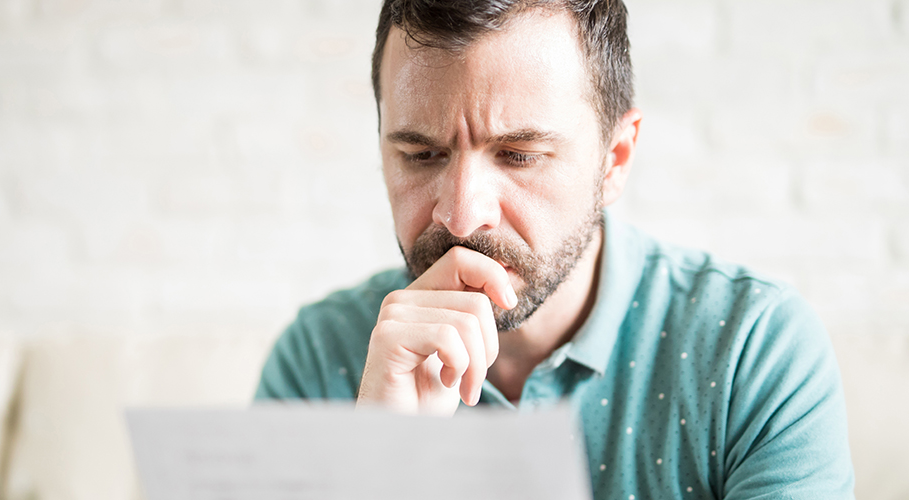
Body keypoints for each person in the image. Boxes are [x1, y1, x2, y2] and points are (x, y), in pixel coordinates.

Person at [254, 0, 855, 497]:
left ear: (614, 160)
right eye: (421, 155)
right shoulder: (317, 361)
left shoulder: (752, 350)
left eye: (519, 155)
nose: (462, 215)